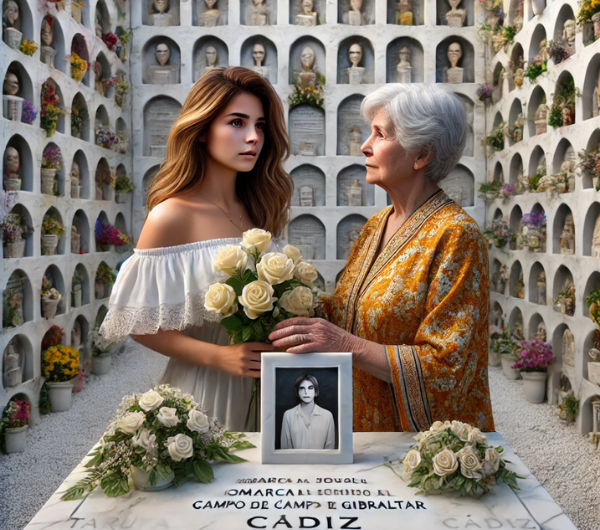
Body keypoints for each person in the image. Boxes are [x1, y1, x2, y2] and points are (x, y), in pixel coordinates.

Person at [270, 84, 495, 433]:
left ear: (421, 155)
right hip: (358, 428)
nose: (365, 145)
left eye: (380, 134)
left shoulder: (456, 236)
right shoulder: (377, 224)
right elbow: (350, 311)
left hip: (416, 443)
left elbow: (448, 366)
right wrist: (275, 301)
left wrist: (343, 344)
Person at [99, 67, 293, 431]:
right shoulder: (170, 216)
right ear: (202, 130)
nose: (253, 137)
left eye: (261, 125)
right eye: (237, 122)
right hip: (207, 387)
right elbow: (138, 322)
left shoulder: (261, 209)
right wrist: (220, 357)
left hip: (270, 388)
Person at [281, 374, 335, 450]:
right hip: (295, 461)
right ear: (297, 392)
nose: (306, 392)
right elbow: (285, 449)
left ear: (316, 392)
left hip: (321, 461)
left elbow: (330, 449)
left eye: (310, 388)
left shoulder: (327, 416)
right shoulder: (288, 415)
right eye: (302, 388)